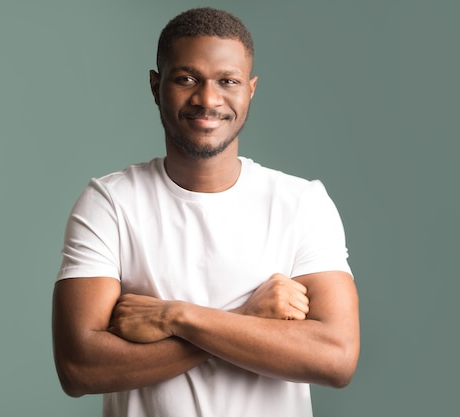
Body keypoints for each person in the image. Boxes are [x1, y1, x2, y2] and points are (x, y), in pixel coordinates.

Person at [52, 7, 359, 417]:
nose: (208, 99)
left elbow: (335, 359)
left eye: (227, 81)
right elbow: (79, 368)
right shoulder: (110, 202)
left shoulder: (301, 203)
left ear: (250, 89)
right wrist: (248, 316)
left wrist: (177, 317)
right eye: (186, 79)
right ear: (155, 85)